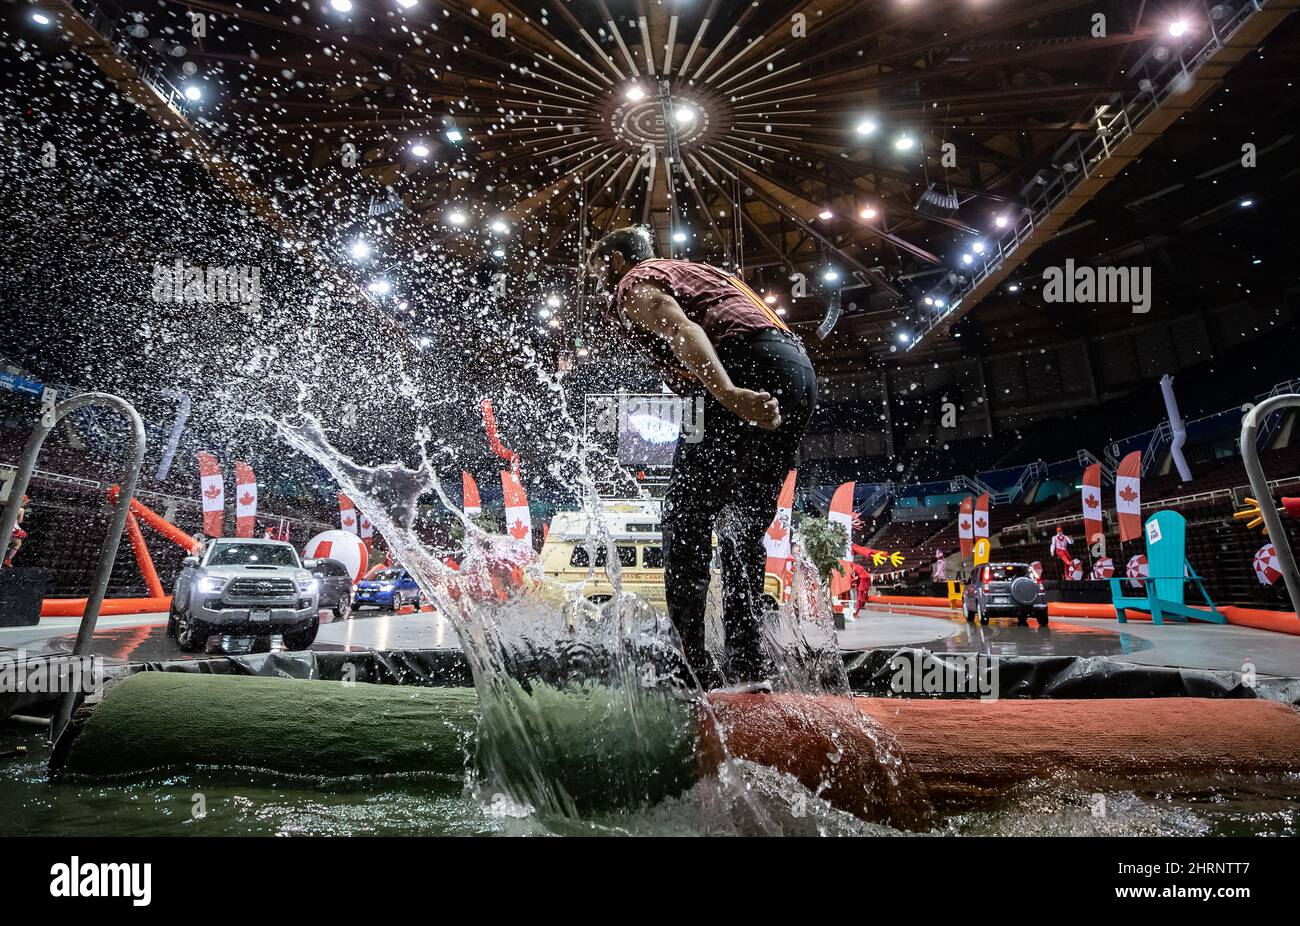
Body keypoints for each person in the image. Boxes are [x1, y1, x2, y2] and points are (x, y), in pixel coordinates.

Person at [588, 226, 817, 687]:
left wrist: (731, 394)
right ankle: (748, 663)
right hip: (798, 369)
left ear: (615, 261)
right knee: (743, 525)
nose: (597, 284)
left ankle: (689, 666)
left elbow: (682, 328)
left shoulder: (635, 281)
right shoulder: (702, 272)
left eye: (598, 272)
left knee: (685, 515)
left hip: (742, 364)